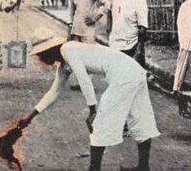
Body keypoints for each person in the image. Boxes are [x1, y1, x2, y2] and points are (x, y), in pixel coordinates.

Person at [18, 28, 159, 171]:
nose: (41, 58)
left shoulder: (67, 49)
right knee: (139, 117)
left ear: (49, 49)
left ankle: (94, 169)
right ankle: (143, 167)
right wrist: (30, 117)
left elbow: (84, 80)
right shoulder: (64, 62)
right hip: (133, 71)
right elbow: (53, 92)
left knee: (100, 122)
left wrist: (92, 110)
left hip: (123, 74)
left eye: (41, 54)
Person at [90, 0, 149, 68]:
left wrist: (138, 52)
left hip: (131, 49)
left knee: (131, 81)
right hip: (115, 47)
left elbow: (142, 29)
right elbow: (110, 14)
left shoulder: (139, 1)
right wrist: (109, 35)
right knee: (114, 79)